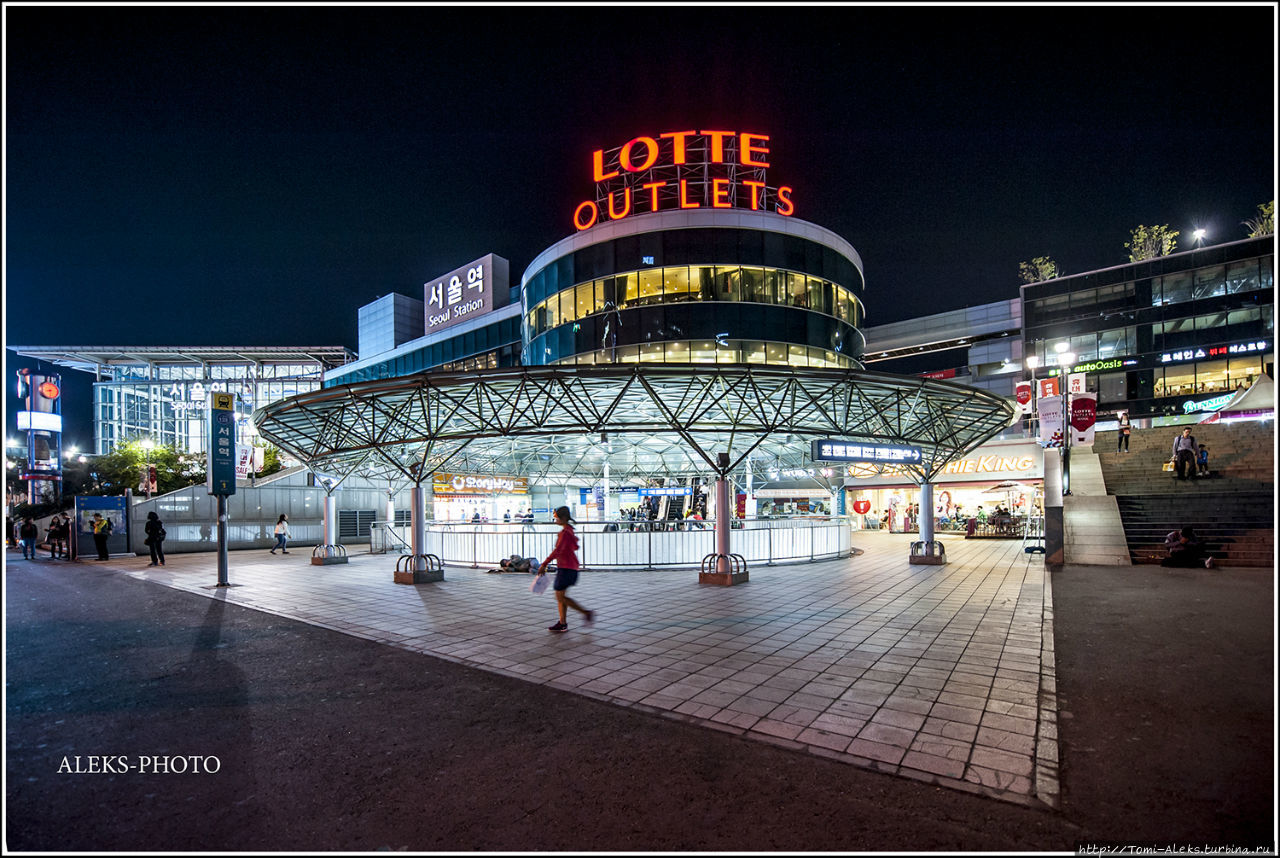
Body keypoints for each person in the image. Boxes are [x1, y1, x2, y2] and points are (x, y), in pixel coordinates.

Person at [536, 505, 593, 633]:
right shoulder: (568, 531)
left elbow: (557, 551)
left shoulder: (565, 533)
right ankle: (562, 623)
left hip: (567, 568)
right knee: (560, 596)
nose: (555, 519)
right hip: (568, 567)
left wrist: (544, 564)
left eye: (556, 517)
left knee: (560, 597)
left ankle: (585, 612)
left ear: (564, 518)